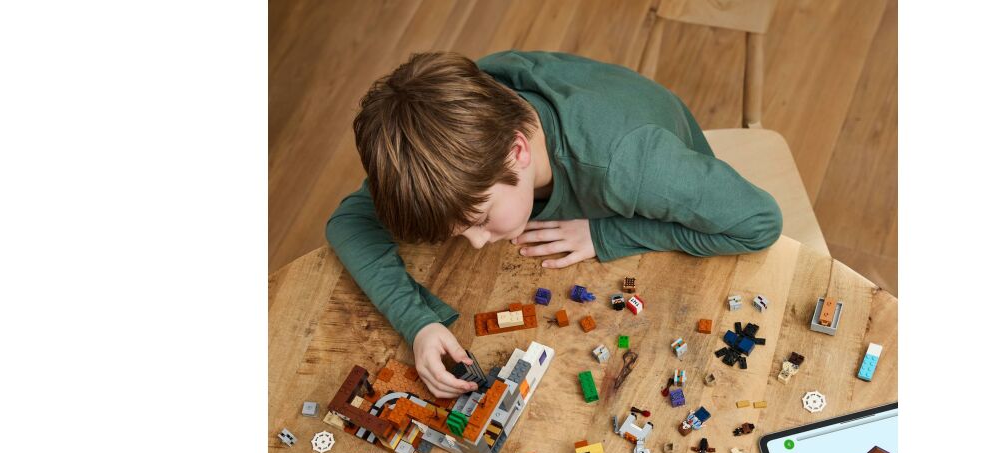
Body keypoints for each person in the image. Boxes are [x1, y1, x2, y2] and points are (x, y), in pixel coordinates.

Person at [327, 50, 782, 398]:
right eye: (459, 232)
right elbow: (347, 223)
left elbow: (760, 223)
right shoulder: (457, 136)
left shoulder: (632, 169)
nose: (477, 243)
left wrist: (606, 232)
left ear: (517, 151)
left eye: (480, 220)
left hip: (669, 168)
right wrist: (419, 324)